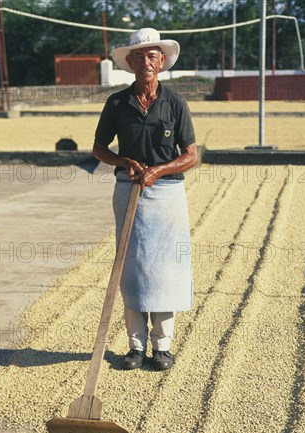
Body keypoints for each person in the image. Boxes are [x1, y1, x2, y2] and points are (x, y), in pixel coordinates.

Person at [93, 28, 197, 371]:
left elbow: (191, 155)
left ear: (162, 62)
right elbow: (98, 149)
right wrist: (124, 162)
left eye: (152, 56)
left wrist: (159, 171)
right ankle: (135, 346)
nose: (146, 62)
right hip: (127, 190)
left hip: (167, 194)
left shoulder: (175, 103)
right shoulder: (117, 103)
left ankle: (162, 347)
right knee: (132, 266)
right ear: (130, 63)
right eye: (139, 57)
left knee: (165, 269)